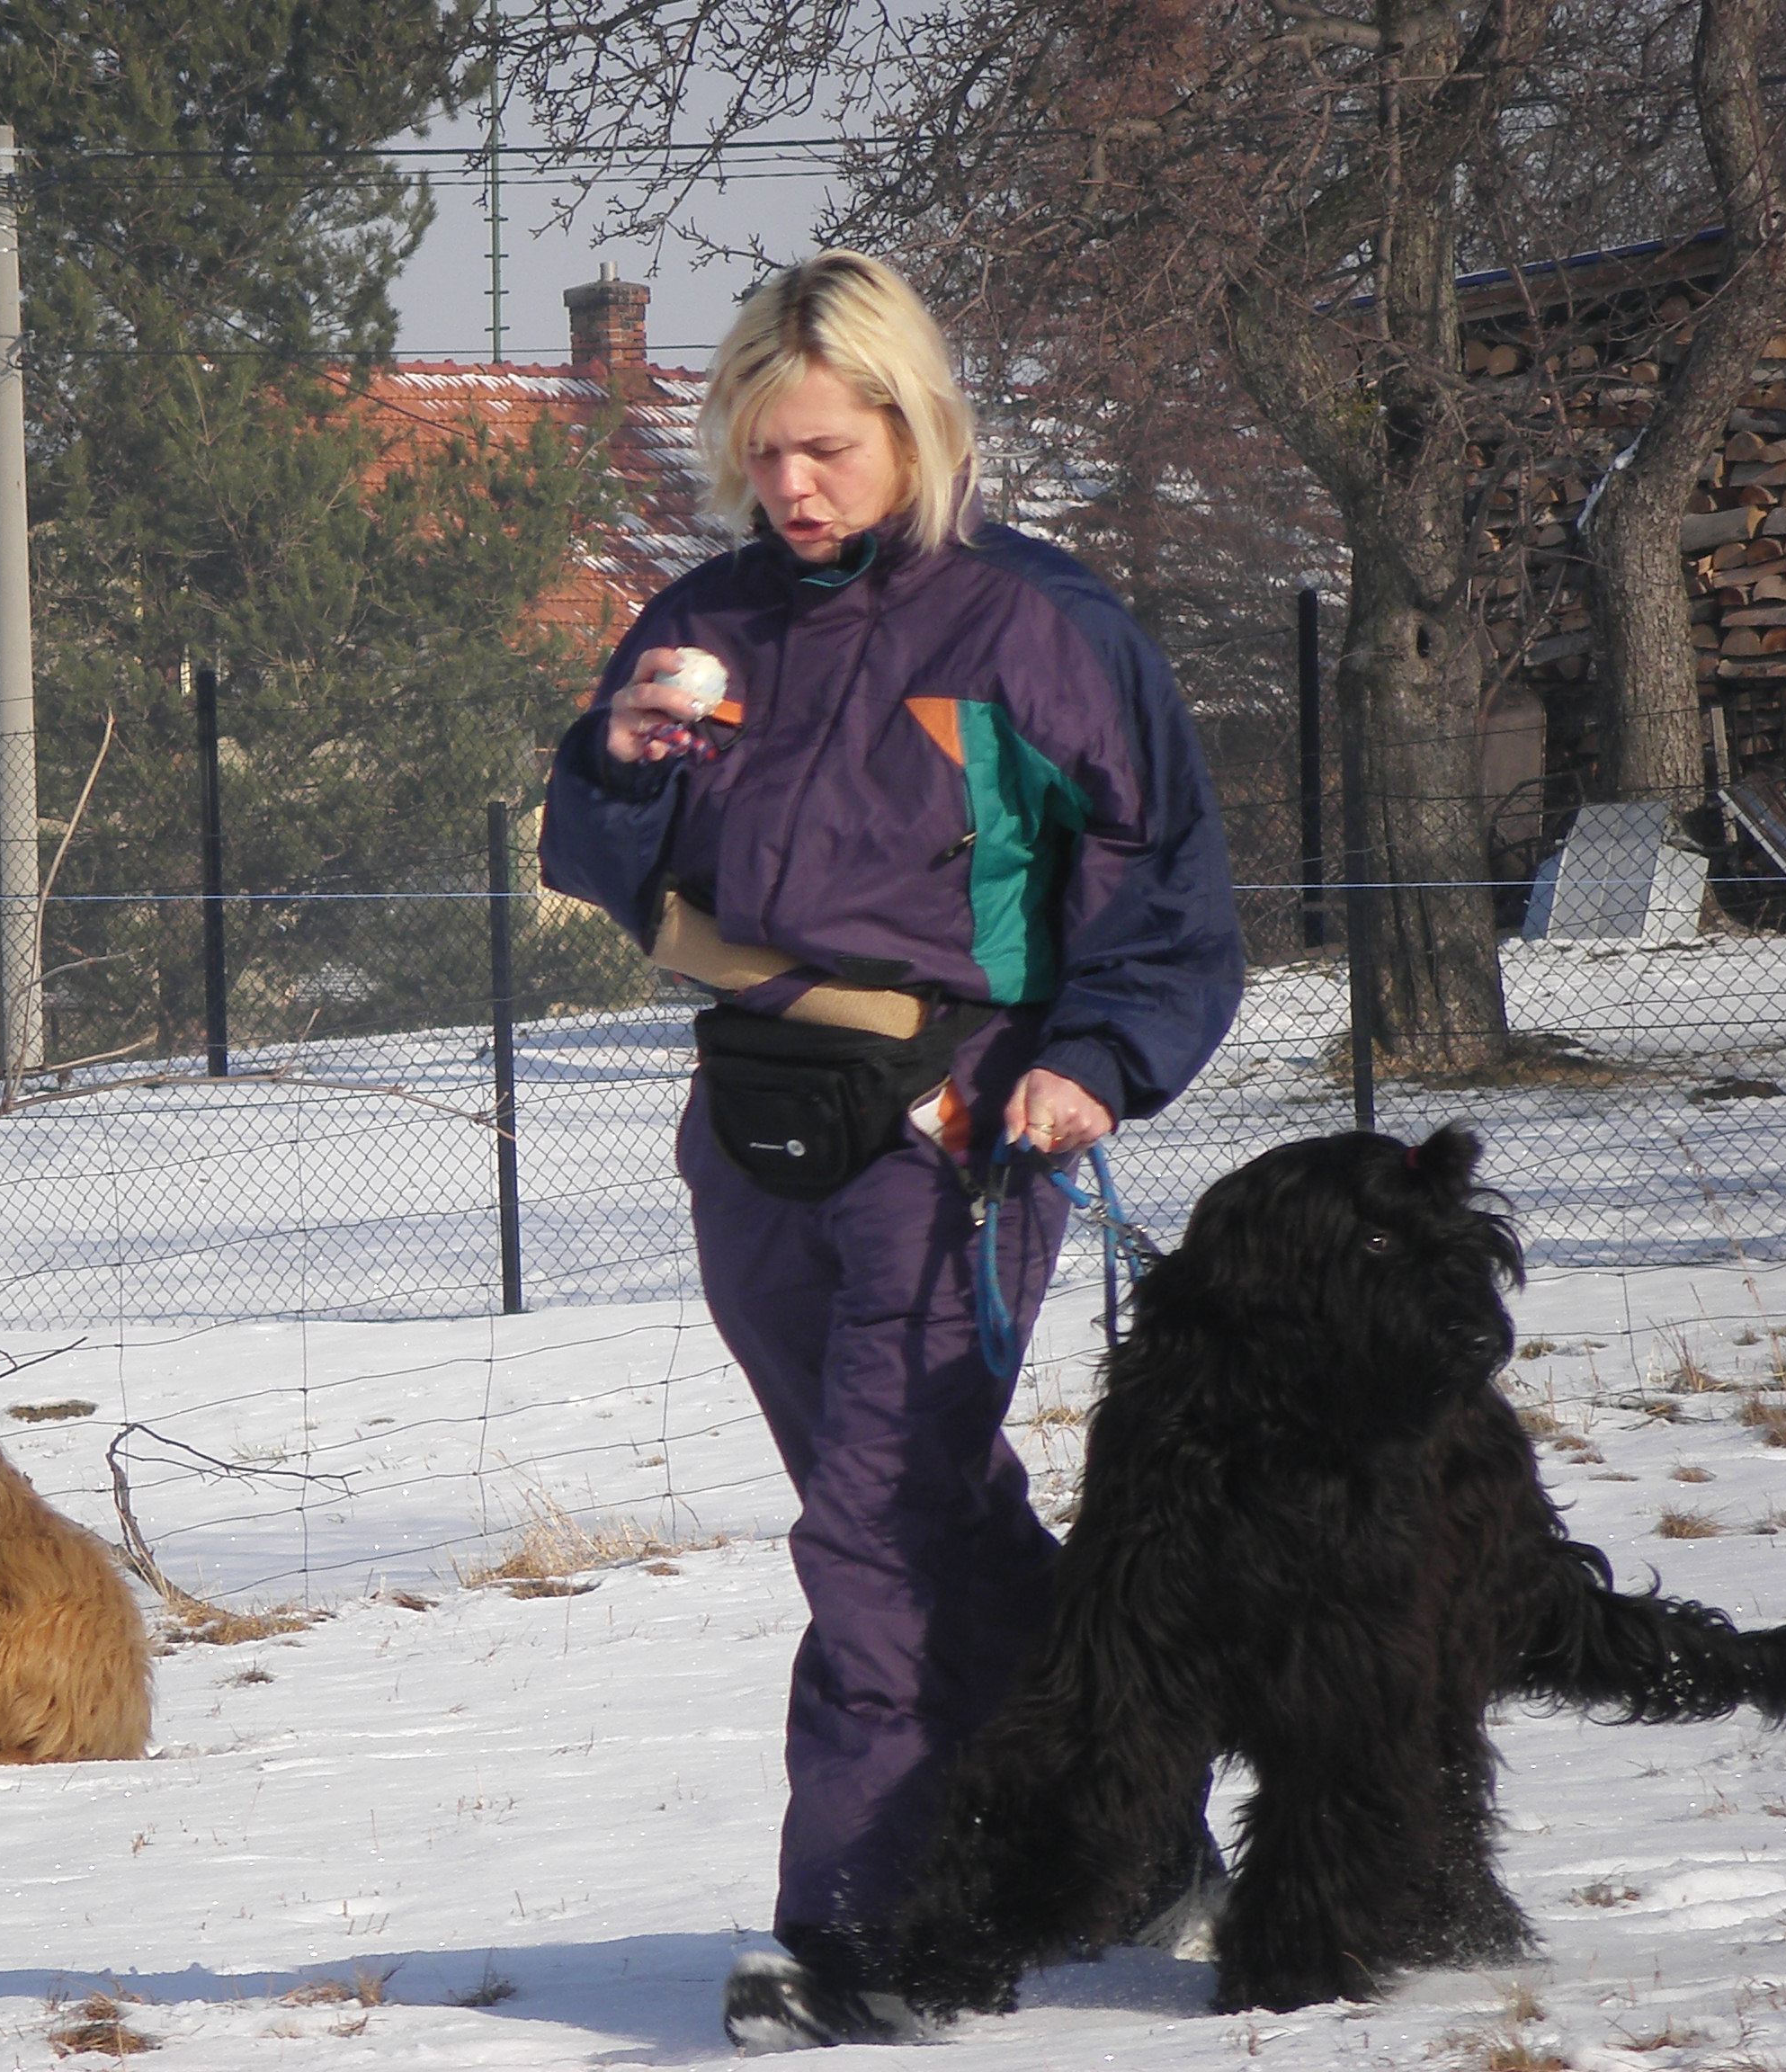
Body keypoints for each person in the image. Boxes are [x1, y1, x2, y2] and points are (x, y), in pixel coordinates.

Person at [540, 251, 1244, 2050]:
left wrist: (1094, 1058)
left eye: (828, 450)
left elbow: (1163, 896)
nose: (792, 487)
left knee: (873, 1523)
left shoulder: (1035, 627)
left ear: (915, 428)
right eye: (765, 454)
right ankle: (1142, 1842)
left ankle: (867, 1933)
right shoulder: (708, 620)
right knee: (923, 1517)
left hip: (956, 1128)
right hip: (753, 1124)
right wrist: (620, 764)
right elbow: (610, 863)